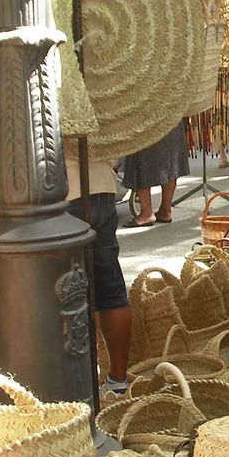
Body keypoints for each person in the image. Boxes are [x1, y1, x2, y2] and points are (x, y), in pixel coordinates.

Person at [65, 146, 130, 393]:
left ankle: (78, 385)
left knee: (67, 291)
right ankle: (117, 380)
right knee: (110, 285)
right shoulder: (98, 107)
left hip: (66, 189)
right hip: (102, 185)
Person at [122, 123, 188, 227]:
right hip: (171, 113)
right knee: (169, 156)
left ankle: (146, 213)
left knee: (140, 158)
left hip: (147, 116)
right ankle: (165, 209)